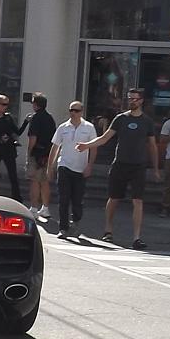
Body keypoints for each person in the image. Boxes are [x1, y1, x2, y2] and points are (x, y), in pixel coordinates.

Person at [76, 88, 161, 250]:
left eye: (135, 99)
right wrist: (86, 145)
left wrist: (156, 168)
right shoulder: (120, 118)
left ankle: (136, 237)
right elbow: (105, 137)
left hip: (138, 166)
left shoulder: (147, 121)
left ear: (141, 101)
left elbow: (152, 146)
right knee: (114, 198)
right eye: (130, 98)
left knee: (138, 200)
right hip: (120, 164)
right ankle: (108, 230)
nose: (132, 101)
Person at [47, 101, 98, 238]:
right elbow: (55, 147)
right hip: (64, 165)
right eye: (71, 110)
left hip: (80, 168)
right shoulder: (63, 127)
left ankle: (76, 221)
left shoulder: (89, 127)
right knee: (63, 198)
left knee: (77, 200)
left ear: (81, 112)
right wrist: (50, 166)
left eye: (76, 110)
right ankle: (63, 227)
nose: (73, 113)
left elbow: (94, 147)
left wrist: (90, 165)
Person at [0, 94, 30, 202]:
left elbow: (17, 132)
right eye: (3, 104)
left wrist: (26, 122)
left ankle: (17, 197)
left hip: (8, 149)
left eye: (7, 104)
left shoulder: (8, 118)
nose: (5, 107)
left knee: (13, 174)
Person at [27, 93, 56, 218]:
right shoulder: (50, 118)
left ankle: (34, 208)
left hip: (37, 153)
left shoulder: (35, 118)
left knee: (34, 181)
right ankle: (45, 208)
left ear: (36, 104)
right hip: (47, 153)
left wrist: (29, 153)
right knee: (44, 181)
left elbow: (33, 138)